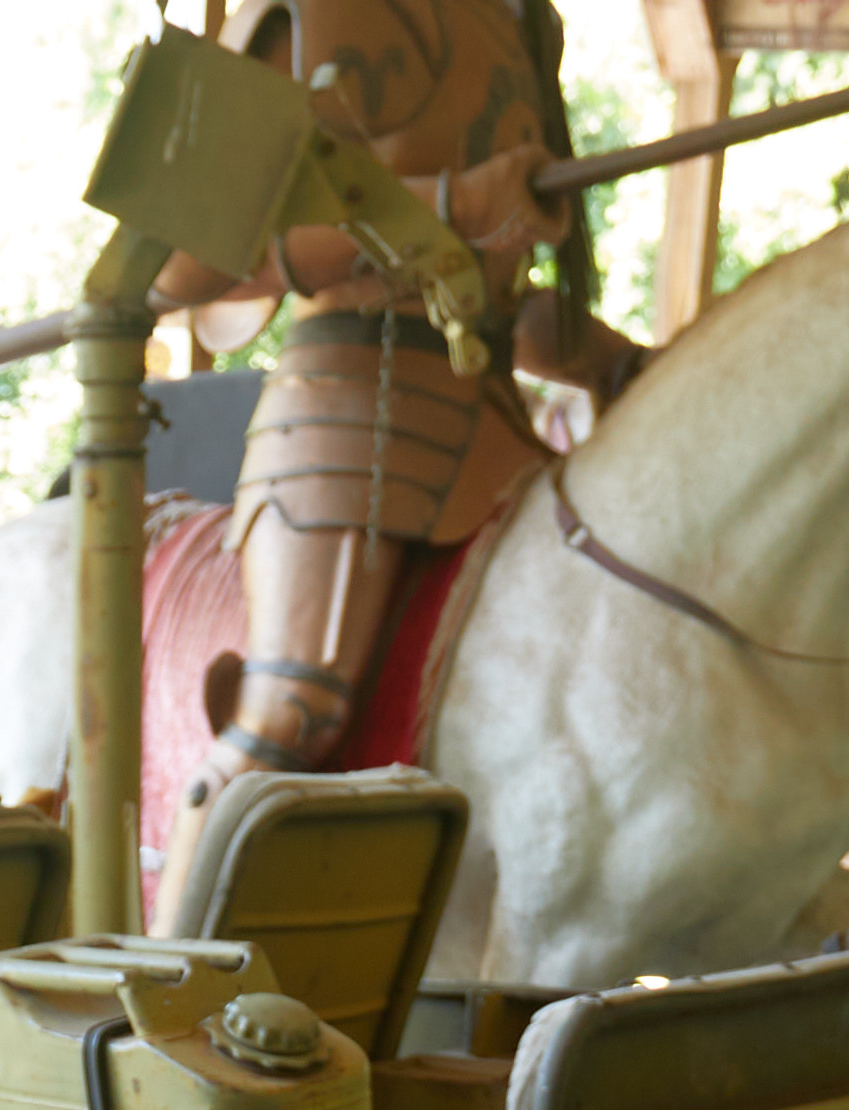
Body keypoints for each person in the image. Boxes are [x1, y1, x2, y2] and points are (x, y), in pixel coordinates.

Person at [150, 0, 641, 790]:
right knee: (290, 713)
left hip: (501, 439)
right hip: (343, 435)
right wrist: (456, 205)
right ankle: (182, 910)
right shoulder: (298, 13)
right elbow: (183, 264)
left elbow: (497, 302)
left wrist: (621, 365)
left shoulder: (520, 22)